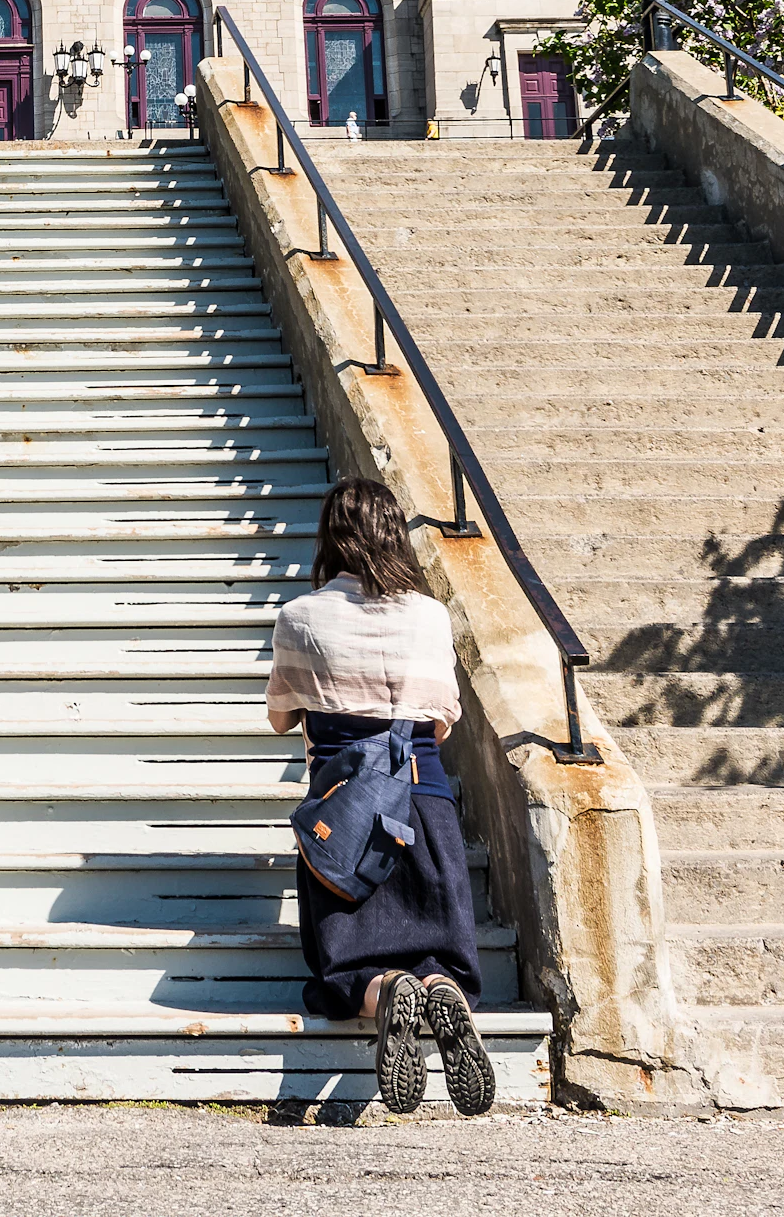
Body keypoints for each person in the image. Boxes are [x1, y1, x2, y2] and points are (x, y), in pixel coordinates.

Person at [269, 477, 494, 1117]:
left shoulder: (300, 617)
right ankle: (438, 989)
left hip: (345, 811)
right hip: (423, 799)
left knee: (346, 969)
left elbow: (282, 718)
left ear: (330, 538)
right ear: (393, 533)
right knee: (441, 952)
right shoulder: (430, 615)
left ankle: (385, 990)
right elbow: (441, 722)